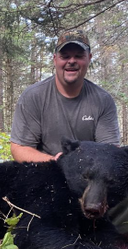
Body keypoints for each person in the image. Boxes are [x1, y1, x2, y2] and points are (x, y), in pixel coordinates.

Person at [10, 29, 120, 163]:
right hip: (45, 171)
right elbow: (19, 148)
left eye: (79, 56)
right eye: (65, 56)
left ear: (89, 58)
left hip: (87, 174)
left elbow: (110, 152)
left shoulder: (103, 100)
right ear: (55, 59)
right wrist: (56, 162)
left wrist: (79, 166)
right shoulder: (33, 97)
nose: (72, 61)